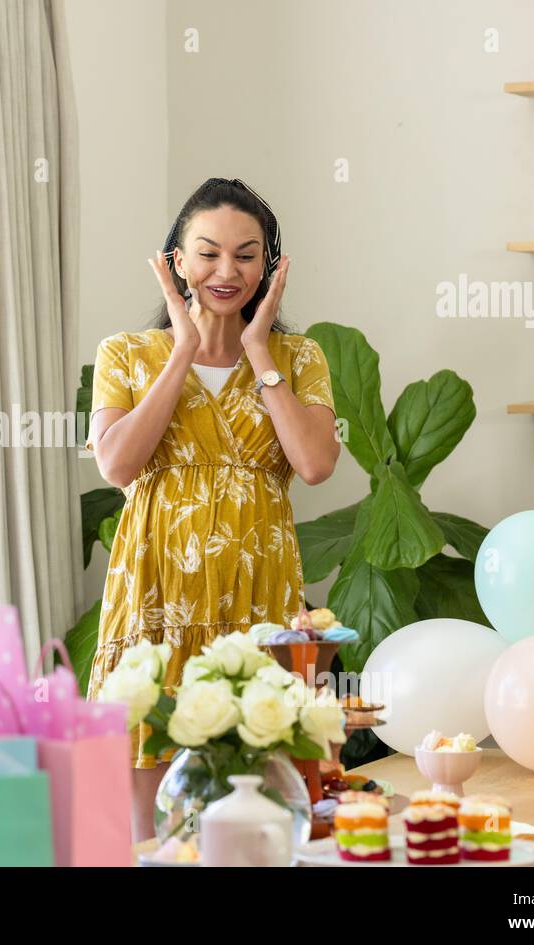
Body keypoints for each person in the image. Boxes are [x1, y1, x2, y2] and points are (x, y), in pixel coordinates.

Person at [85, 178, 340, 841]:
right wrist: (182, 351)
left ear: (270, 265)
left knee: (259, 795)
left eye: (247, 255)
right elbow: (117, 464)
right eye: (208, 253)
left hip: (259, 595)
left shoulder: (299, 356)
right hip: (156, 594)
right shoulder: (127, 353)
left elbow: (313, 464)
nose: (227, 271)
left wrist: (258, 352)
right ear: (175, 261)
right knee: (148, 811)